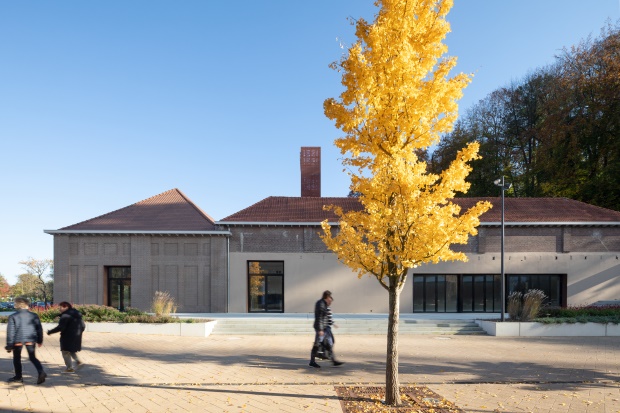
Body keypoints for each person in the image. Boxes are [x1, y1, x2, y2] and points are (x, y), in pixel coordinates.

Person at [5, 297, 47, 384]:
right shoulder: (34, 315)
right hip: (31, 339)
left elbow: (10, 331)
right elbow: (39, 329)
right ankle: (41, 371)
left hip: (17, 340)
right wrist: (40, 340)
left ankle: (18, 377)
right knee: (32, 357)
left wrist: (9, 344)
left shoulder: (13, 316)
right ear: (27, 305)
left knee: (17, 358)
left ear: (17, 305)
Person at [47, 302, 86, 373]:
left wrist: (50, 332)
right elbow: (83, 326)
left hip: (67, 336)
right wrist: (79, 333)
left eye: (60, 308)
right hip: (77, 335)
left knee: (65, 351)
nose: (59, 309)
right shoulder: (77, 314)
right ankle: (78, 361)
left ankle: (69, 368)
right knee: (70, 350)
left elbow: (60, 327)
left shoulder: (65, 316)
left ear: (66, 307)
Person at [309, 290, 343, 368]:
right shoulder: (321, 304)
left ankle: (333, 360)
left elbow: (326, 317)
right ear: (327, 297)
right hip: (321, 327)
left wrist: (333, 324)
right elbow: (319, 318)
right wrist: (320, 329)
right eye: (329, 297)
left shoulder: (323, 304)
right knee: (317, 344)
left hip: (324, 327)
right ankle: (312, 361)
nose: (330, 299)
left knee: (329, 343)